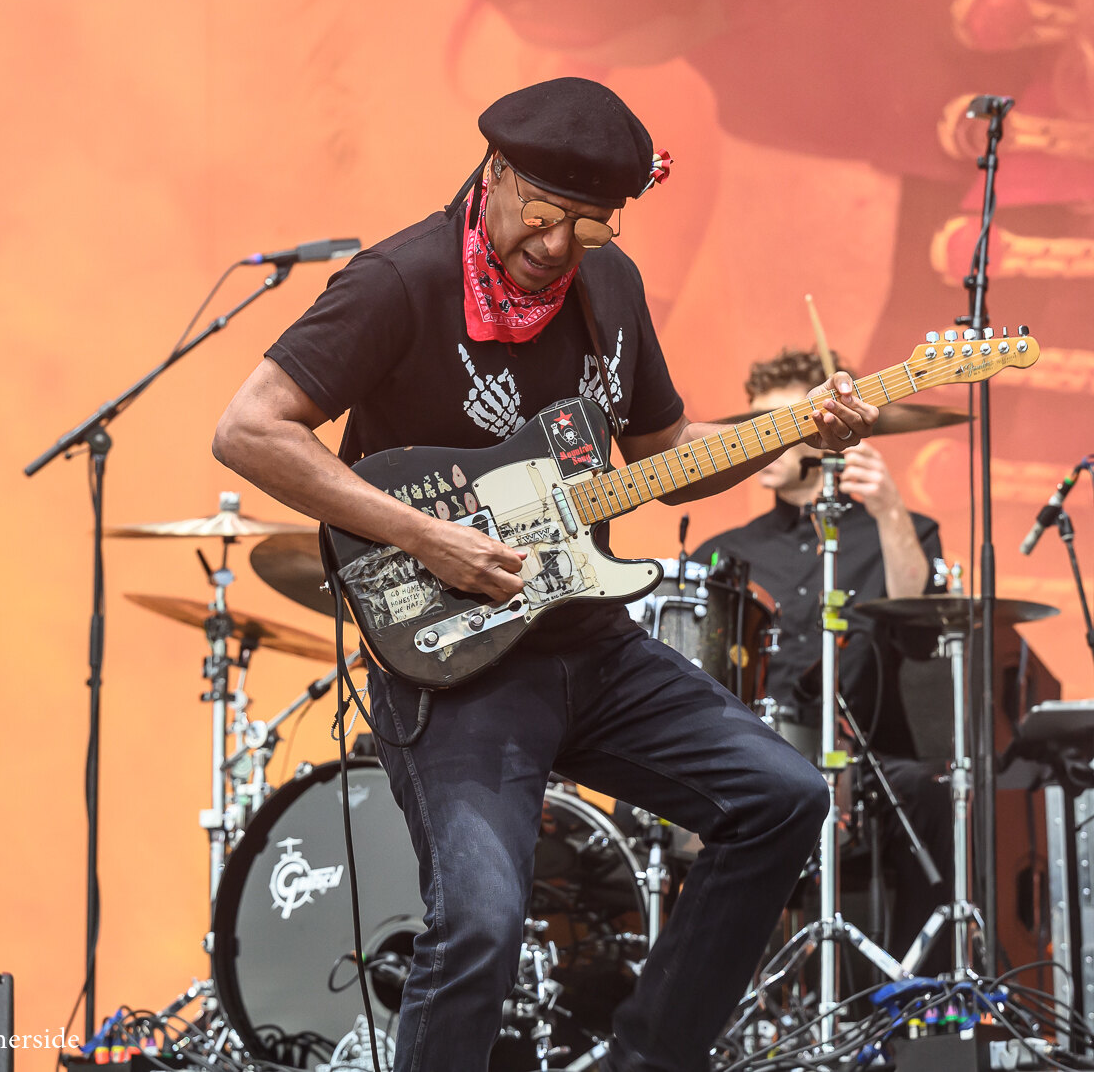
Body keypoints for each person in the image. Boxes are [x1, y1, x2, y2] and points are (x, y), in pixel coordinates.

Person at [212, 77, 878, 1072]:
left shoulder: (612, 287)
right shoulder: (400, 281)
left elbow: (662, 449)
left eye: (590, 225)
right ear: (495, 172)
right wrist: (429, 538)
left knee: (783, 796)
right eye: (543, 214)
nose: (560, 245)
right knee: (478, 925)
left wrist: (787, 429)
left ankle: (644, 1062)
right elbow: (249, 428)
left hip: (588, 643)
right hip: (454, 662)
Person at [692, 346, 953, 962]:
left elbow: (919, 625)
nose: (758, 436)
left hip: (857, 761)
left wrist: (889, 510)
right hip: (748, 755)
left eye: (778, 423)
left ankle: (915, 996)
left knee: (927, 793)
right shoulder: (721, 552)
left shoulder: (897, 529)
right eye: (752, 422)